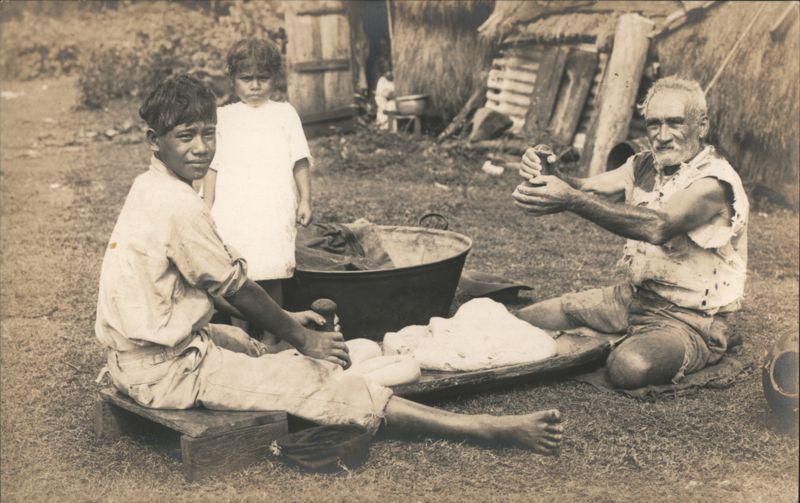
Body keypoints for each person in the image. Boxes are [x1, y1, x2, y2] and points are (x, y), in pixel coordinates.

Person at [94, 74, 563, 454]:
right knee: (311, 379)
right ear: (155, 140)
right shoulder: (179, 206)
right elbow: (234, 285)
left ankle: (269, 365)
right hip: (167, 373)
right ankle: (486, 429)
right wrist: (305, 338)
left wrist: (288, 318)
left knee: (239, 337)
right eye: (185, 136)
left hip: (136, 357)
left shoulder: (150, 187)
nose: (200, 147)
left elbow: (205, 282)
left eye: (208, 133)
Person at [512, 76, 749, 390]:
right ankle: (615, 337)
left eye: (675, 123)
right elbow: (583, 187)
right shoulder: (643, 165)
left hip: (689, 320)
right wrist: (548, 170)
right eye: (654, 124)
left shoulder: (714, 182)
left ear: (701, 126)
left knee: (629, 368)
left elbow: (658, 225)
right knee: (523, 320)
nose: (662, 136)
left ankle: (699, 342)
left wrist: (570, 200)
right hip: (632, 299)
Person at [202, 38, 310, 310]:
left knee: (271, 270)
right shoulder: (223, 117)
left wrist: (306, 199)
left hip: (273, 205)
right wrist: (206, 207)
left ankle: (275, 338)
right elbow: (213, 166)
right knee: (238, 275)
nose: (255, 85)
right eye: (246, 78)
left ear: (275, 78)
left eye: (263, 78)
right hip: (234, 207)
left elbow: (300, 159)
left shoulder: (285, 114)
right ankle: (244, 337)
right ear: (232, 79)